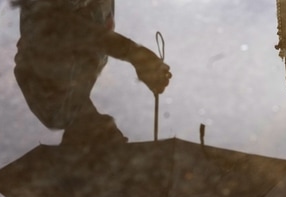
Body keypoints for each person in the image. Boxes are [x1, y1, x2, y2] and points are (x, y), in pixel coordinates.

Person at [10, 0, 172, 132]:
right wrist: (132, 53)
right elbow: (52, 23)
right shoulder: (58, 104)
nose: (125, 139)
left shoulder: (57, 104)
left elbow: (54, 26)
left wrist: (133, 54)